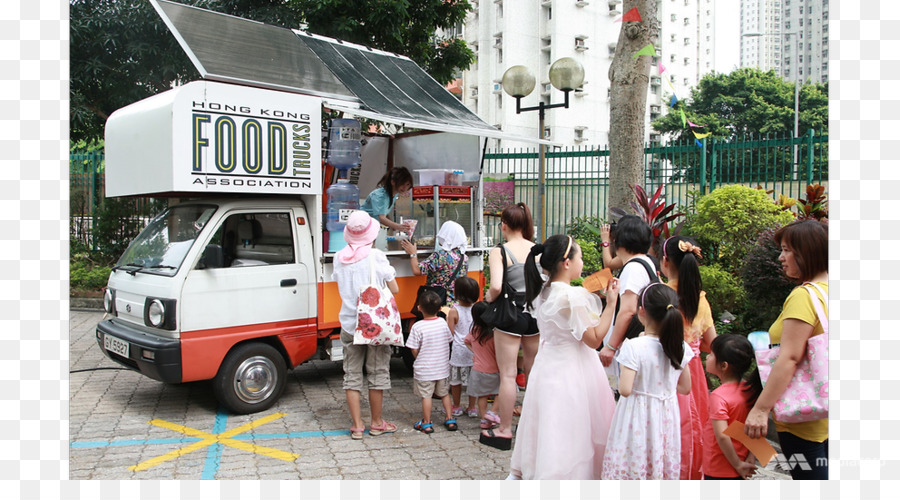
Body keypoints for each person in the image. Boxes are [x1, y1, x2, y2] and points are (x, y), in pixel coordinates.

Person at [506, 235, 619, 478]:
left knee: (550, 426)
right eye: (579, 257)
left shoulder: (542, 291)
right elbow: (594, 339)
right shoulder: (571, 296)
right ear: (566, 262)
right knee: (575, 429)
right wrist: (611, 304)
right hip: (573, 369)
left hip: (548, 366)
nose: (583, 262)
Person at [744, 219, 829, 480]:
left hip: (802, 422)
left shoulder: (804, 296)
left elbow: (790, 357)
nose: (781, 258)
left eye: (787, 250)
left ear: (809, 252)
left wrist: (760, 409)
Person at [601, 283, 693, 480]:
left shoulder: (634, 347)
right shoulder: (680, 346)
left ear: (642, 312)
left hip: (637, 416)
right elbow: (685, 387)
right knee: (660, 462)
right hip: (666, 417)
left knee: (634, 460)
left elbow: (625, 389)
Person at [331, 210, 399, 440]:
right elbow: (395, 288)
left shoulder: (338, 257)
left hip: (350, 324)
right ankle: (377, 423)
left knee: (351, 375)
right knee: (377, 372)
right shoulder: (376, 256)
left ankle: (358, 426)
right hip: (375, 327)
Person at [479, 203, 538, 450]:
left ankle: (504, 431)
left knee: (508, 375)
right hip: (534, 314)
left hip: (509, 316)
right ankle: (536, 429)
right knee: (534, 374)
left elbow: (495, 286)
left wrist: (488, 300)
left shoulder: (499, 251)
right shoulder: (537, 249)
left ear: (503, 224)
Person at [661, 235, 718, 479]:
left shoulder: (661, 296)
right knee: (693, 424)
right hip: (693, 371)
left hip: (665, 368)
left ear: (665, 262)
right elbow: (711, 343)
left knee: (668, 424)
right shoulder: (701, 300)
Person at [598, 215, 656, 392]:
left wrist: (610, 347)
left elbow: (628, 311)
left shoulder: (632, 269)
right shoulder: (646, 261)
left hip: (626, 344)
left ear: (620, 240)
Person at [702, 334, 763, 480]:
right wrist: (751, 455)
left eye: (711, 354)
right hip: (742, 462)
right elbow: (755, 429)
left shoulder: (718, 396)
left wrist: (737, 465)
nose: (707, 358)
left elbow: (722, 436)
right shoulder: (750, 391)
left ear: (724, 365)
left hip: (718, 466)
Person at [405, 290, 457, 434]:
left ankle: (426, 423)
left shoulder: (417, 326)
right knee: (444, 394)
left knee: (426, 396)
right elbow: (449, 340)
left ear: (419, 308)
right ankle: (450, 418)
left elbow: (413, 349)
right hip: (442, 368)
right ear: (440, 309)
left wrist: (419, 358)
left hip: (425, 370)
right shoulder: (442, 322)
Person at [400, 220, 469, 314]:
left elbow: (417, 271)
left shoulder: (441, 256)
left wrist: (413, 254)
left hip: (437, 304)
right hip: (455, 306)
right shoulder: (464, 257)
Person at [464, 301, 502, 431]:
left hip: (478, 369)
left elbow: (466, 341)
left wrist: (475, 352)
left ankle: (484, 420)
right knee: (501, 391)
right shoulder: (494, 333)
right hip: (495, 369)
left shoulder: (474, 330)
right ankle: (493, 412)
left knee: (482, 395)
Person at [446, 276, 480, 418]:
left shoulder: (454, 311)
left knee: (456, 381)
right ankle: (472, 407)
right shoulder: (477, 310)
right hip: (474, 350)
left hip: (459, 350)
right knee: (473, 380)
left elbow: (450, 333)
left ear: (456, 293)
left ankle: (457, 406)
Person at [361, 166, 413, 232]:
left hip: (372, 226)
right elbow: (382, 218)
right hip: (363, 225)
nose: (405, 187)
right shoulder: (380, 195)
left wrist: (393, 226)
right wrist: (397, 226)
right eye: (402, 184)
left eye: (408, 184)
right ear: (393, 182)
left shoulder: (394, 194)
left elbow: (383, 212)